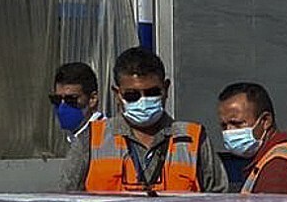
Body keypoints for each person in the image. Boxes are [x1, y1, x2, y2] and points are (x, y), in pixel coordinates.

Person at [61, 46, 227, 193]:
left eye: (152, 93)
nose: (143, 100)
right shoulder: (90, 139)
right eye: (132, 95)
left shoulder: (194, 139)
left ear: (166, 89)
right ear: (117, 94)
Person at [216, 82, 287, 194]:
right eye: (224, 126)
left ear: (265, 121)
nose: (229, 131)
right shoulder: (267, 160)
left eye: (237, 123)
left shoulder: (278, 170)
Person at [50, 61, 104, 142]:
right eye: (57, 99)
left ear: (92, 99)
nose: (62, 107)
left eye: (71, 99)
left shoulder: (107, 138)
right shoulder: (74, 138)